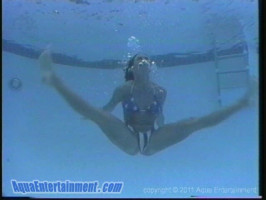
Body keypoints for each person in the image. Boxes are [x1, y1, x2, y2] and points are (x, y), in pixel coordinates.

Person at [38, 49, 255, 156]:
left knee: (193, 122)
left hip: (152, 139)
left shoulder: (160, 91)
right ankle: (53, 80)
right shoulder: (124, 89)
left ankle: (244, 102)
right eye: (137, 60)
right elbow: (108, 109)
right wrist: (96, 117)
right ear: (132, 69)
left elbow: (160, 115)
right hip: (129, 136)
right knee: (98, 115)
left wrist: (168, 128)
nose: (142, 62)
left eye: (145, 60)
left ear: (150, 67)